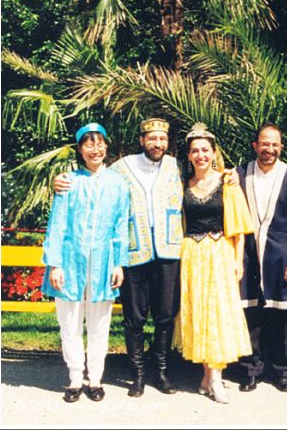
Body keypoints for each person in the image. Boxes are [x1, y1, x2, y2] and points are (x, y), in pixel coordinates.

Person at [55, 118, 184, 397]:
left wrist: (229, 176)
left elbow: (207, 169)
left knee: (164, 316)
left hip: (163, 252)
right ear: (141, 140)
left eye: (162, 138)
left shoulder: (177, 165)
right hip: (130, 255)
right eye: (152, 138)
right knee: (131, 318)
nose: (157, 143)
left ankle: (158, 373)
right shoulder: (120, 169)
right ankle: (131, 375)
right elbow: (65, 213)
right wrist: (57, 181)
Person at [42, 123, 130, 403]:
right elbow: (56, 225)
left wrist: (118, 264)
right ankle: (74, 378)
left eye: (99, 143)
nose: (95, 149)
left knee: (99, 324)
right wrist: (55, 264)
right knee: (69, 323)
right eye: (88, 144)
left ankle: (95, 378)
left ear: (106, 146)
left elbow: (120, 227)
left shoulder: (117, 184)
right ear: (80, 149)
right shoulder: (69, 181)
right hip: (70, 263)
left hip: (103, 264)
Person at [174, 123, 254, 404]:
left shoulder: (227, 182)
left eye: (205, 150)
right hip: (192, 255)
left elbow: (239, 226)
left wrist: (237, 260)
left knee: (217, 314)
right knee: (199, 314)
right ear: (189, 155)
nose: (200, 155)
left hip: (219, 252)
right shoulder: (183, 184)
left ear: (213, 152)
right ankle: (207, 374)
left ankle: (217, 378)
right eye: (195, 151)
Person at [236, 123, 287, 393]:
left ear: (281, 146)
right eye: (264, 144)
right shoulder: (239, 175)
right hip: (247, 255)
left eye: (274, 144)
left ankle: (283, 372)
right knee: (250, 314)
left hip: (281, 256)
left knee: (284, 317)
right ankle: (251, 369)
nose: (269, 149)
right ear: (255, 145)